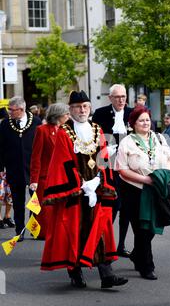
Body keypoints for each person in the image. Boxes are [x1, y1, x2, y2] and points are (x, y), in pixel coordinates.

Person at [40, 90, 128, 290]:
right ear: (70, 109)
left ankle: (107, 275)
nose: (82, 110)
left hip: (96, 189)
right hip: (76, 191)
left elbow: (103, 159)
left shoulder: (97, 129)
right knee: (75, 231)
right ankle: (75, 272)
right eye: (78, 107)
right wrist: (82, 185)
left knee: (100, 230)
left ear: (90, 108)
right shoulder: (64, 132)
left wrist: (98, 181)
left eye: (85, 106)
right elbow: (62, 162)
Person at [115, 106, 170, 280]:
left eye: (147, 119)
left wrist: (163, 176)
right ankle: (147, 266)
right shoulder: (127, 142)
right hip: (135, 190)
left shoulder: (160, 138)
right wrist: (146, 180)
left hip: (157, 189)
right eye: (141, 120)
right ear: (133, 124)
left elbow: (169, 160)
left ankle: (136, 254)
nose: (145, 123)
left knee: (153, 228)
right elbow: (121, 169)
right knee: (141, 229)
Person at [92, 84, 133, 258]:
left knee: (128, 209)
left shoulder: (132, 113)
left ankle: (121, 245)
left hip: (129, 166)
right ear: (110, 98)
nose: (121, 100)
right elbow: (95, 138)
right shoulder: (101, 114)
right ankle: (104, 245)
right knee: (111, 207)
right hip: (108, 166)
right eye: (117, 97)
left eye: (123, 96)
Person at [0, 96, 42, 241]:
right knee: (17, 202)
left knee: (35, 200)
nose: (9, 112)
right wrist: (1, 167)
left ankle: (35, 228)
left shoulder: (36, 122)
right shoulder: (5, 124)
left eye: (12, 110)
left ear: (22, 109)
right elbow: (1, 147)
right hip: (14, 168)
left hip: (33, 168)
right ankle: (20, 230)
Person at [29, 103, 70, 239]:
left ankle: (59, 231)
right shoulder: (42, 130)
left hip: (64, 176)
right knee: (43, 209)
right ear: (58, 115)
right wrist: (34, 180)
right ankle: (41, 233)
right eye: (66, 114)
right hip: (45, 177)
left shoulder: (68, 130)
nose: (68, 116)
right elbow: (36, 157)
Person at [0, 107, 14, 229]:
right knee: (0, 194)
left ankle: (7, 216)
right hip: (0, 167)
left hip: (10, 166)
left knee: (10, 194)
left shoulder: (10, 130)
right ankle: (0, 218)